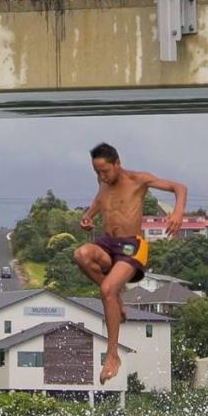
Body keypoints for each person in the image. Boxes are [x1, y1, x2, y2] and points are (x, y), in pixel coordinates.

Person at [74, 142, 186, 385]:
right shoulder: (103, 182)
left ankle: (112, 354)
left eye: (105, 171)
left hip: (130, 246)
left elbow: (179, 187)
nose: (102, 176)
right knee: (81, 254)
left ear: (117, 163)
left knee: (106, 291)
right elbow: (100, 199)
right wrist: (88, 216)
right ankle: (115, 299)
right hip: (106, 244)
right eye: (97, 172)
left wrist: (177, 213)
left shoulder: (138, 180)